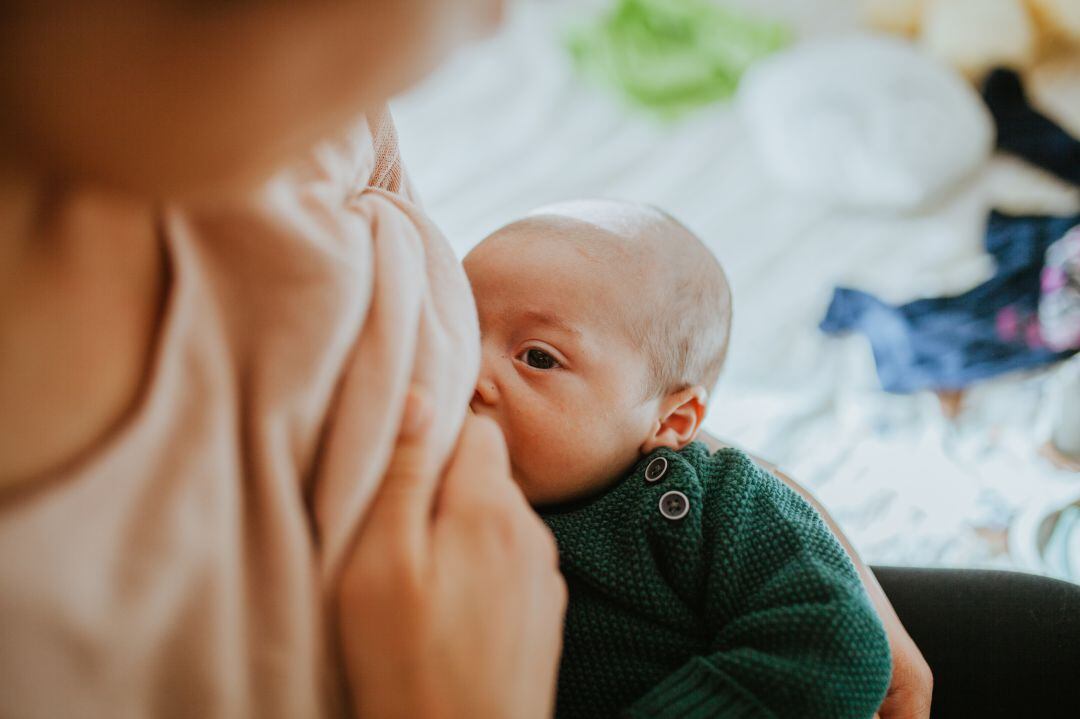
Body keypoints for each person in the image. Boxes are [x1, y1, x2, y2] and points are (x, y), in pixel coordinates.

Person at [0, 1, 931, 717]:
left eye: (533, 355)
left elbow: (803, 609)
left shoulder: (316, 121)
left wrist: (807, 551)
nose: (491, 20)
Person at [465, 201, 893, 717]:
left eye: (538, 357)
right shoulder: (409, 484)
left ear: (671, 421)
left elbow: (833, 641)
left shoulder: (716, 507)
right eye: (454, 332)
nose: (465, 372)